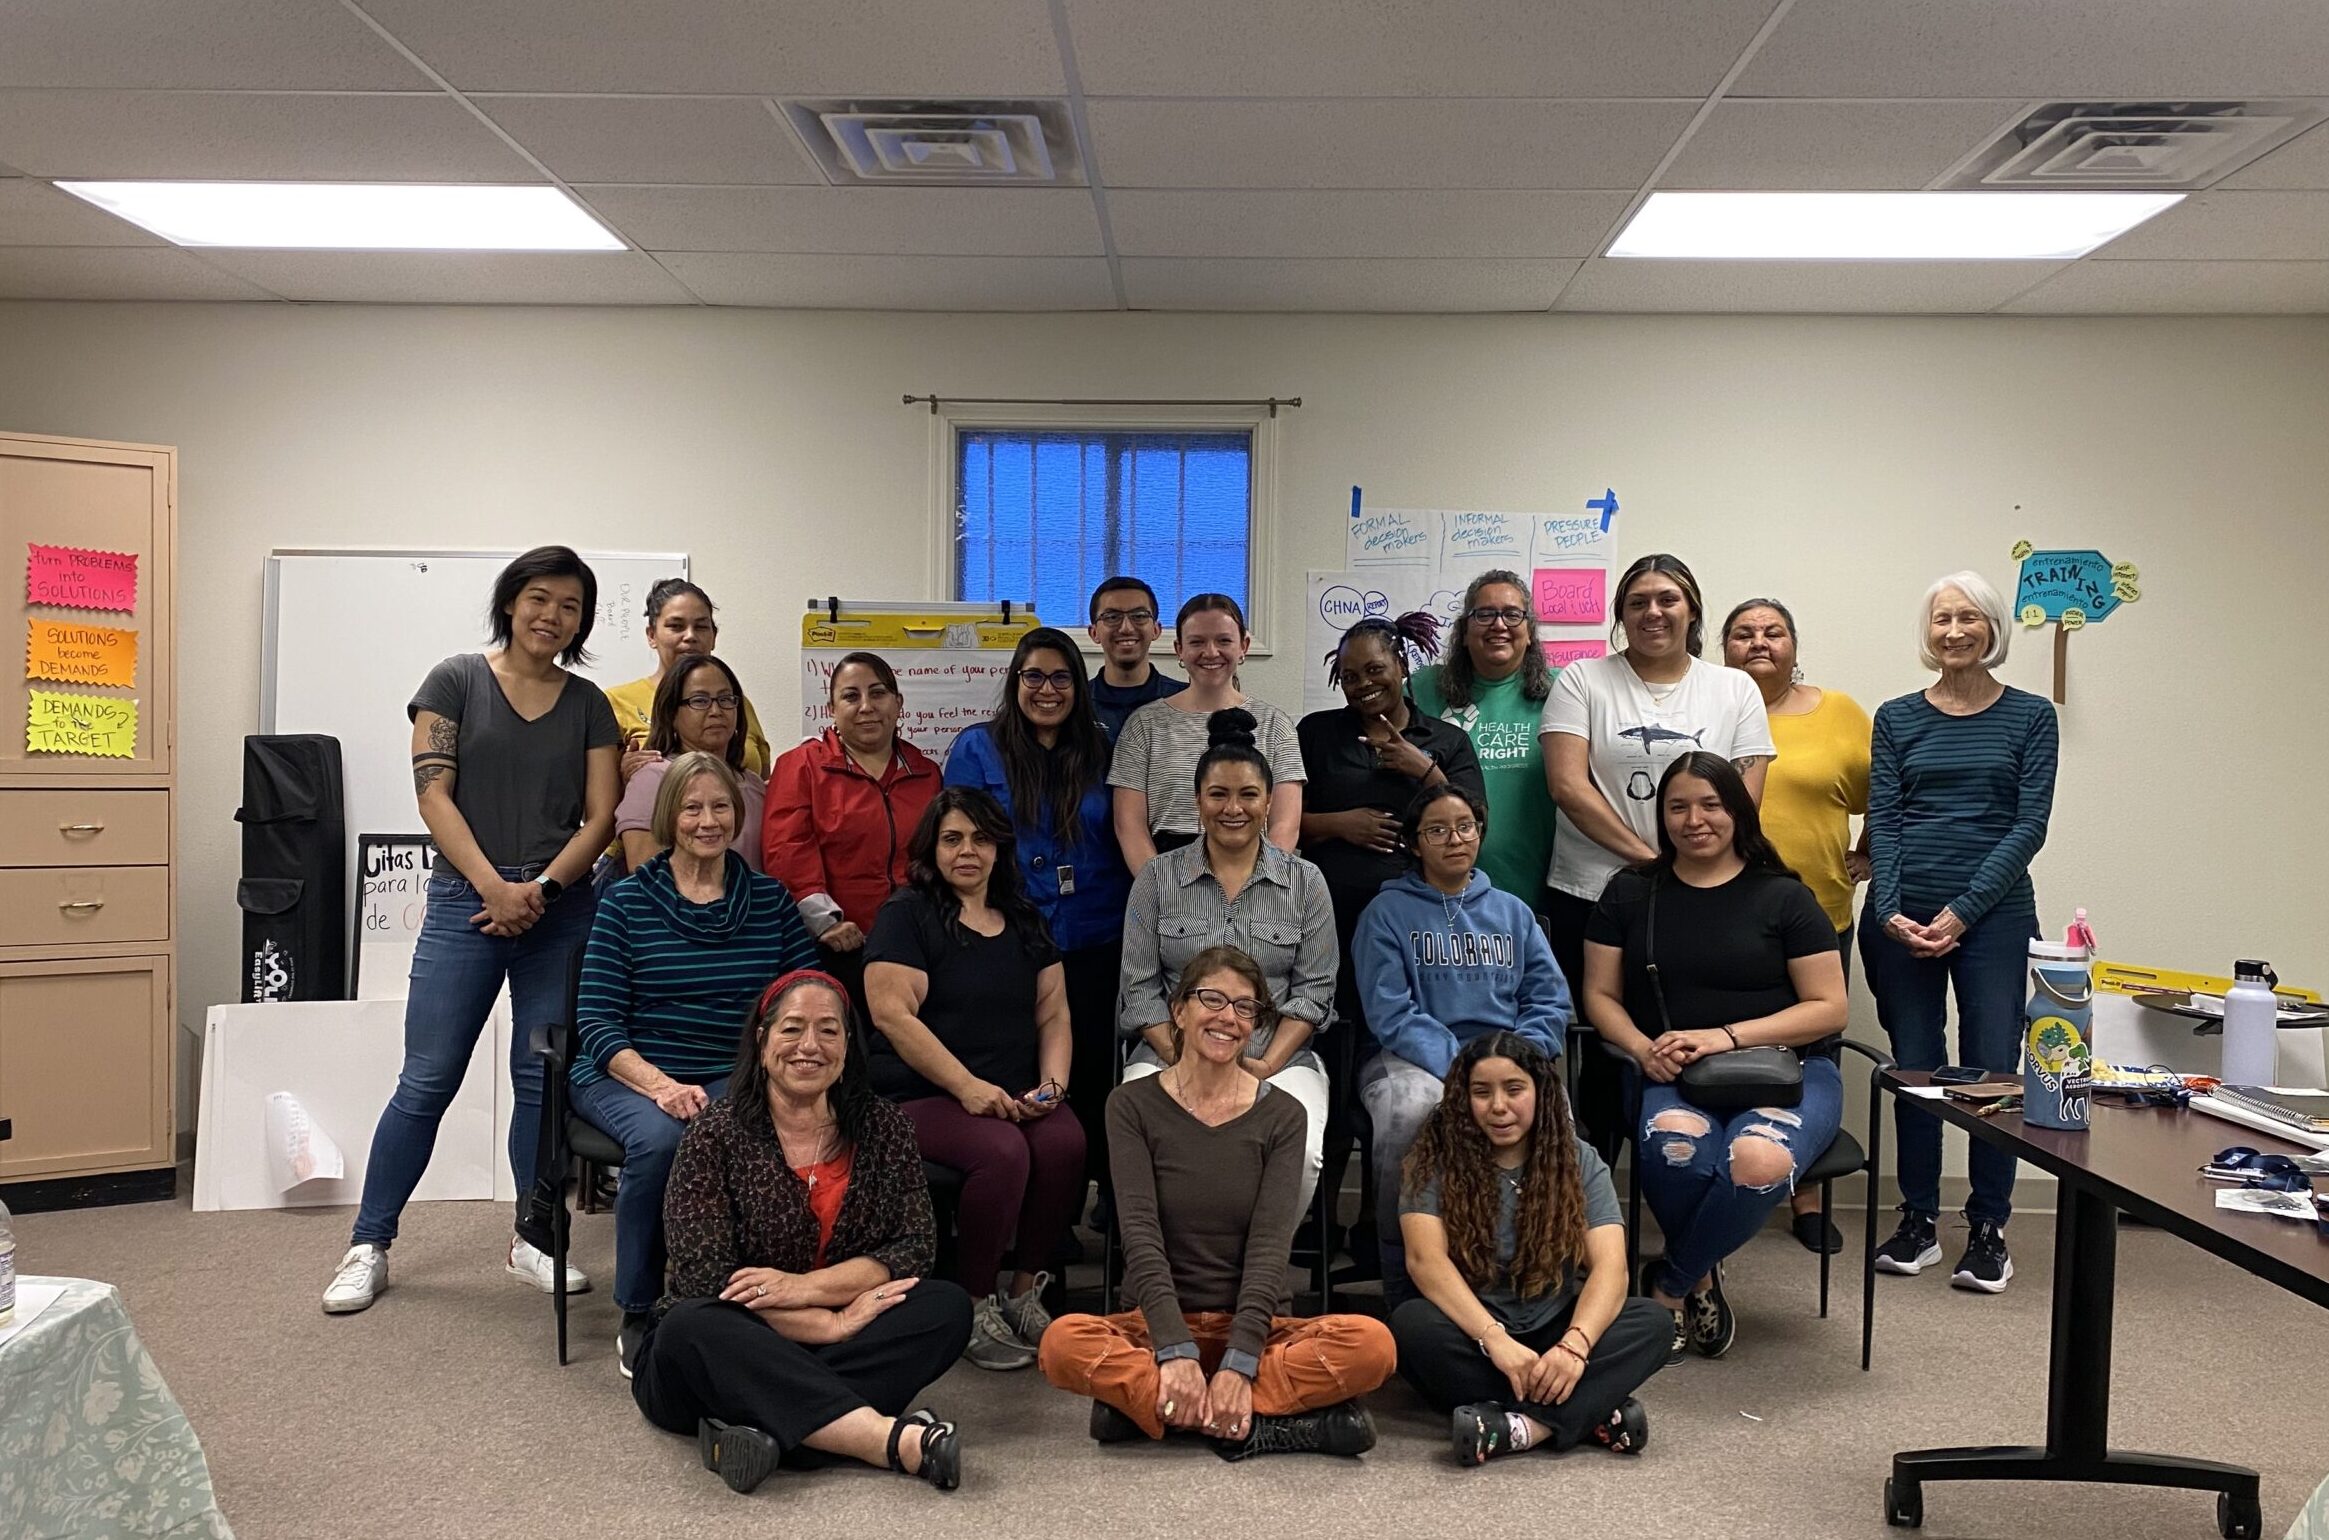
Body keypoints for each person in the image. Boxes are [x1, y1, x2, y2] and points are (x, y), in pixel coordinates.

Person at [325, 546, 619, 1314]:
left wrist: (542, 889)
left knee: (541, 1082)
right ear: (511, 601)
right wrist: (496, 886)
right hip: (467, 903)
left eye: (569, 606)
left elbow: (602, 817)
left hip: (560, 911)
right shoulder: (453, 680)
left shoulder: (588, 703)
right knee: (427, 1080)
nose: (551, 616)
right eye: (540, 598)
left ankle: (533, 1237)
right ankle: (369, 1243)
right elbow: (433, 797)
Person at [1039, 948, 1396, 1458]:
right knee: (1060, 1345)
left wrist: (1240, 1359)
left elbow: (1272, 1248)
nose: (1228, 1017)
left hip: (1257, 1328)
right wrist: (1176, 1349)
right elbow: (1139, 1236)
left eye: (1245, 1008)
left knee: (1374, 1346)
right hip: (1154, 1324)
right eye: (1212, 999)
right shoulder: (1131, 1105)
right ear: (1179, 1010)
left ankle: (1159, 1408)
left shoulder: (1284, 1115)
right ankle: (1258, 1421)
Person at [631, 969, 972, 1494]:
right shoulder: (713, 1134)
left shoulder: (886, 1127)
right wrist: (828, 1326)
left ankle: (763, 1432)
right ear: (763, 1040)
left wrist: (805, 1289)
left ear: (847, 1047)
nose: (809, 1046)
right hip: (738, 1344)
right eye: (792, 1029)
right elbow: (705, 1281)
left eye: (829, 1031)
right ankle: (885, 1439)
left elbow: (914, 1246)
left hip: (806, 1340)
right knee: (689, 1325)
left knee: (945, 1307)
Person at [1581, 753, 1849, 1362]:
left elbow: (1830, 1008)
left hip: (1793, 1071)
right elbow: (1598, 994)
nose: (1694, 820)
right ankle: (1701, 1279)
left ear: (1738, 810)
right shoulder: (1632, 892)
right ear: (1660, 815)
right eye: (1678, 807)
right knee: (1677, 1154)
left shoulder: (1783, 895)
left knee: (1755, 1161)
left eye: (1711, 804)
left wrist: (1725, 1036)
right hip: (1670, 1070)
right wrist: (1640, 1048)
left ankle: (1671, 1283)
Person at [572, 751, 820, 1373]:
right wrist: (661, 1086)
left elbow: (808, 990)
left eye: (719, 808)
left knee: (763, 1131)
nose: (707, 821)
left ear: (737, 817)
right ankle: (637, 1305)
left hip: (731, 1073)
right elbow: (597, 1022)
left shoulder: (767, 899)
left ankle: (744, 1297)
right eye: (692, 808)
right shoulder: (626, 903)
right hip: (626, 1071)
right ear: (667, 817)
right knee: (660, 1143)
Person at [1539, 553, 1774, 1161]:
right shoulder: (1583, 680)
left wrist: (1687, 868)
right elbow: (1568, 787)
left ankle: (1675, 1179)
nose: (1653, 612)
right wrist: (1651, 860)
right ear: (1621, 614)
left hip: (1700, 901)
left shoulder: (1733, 687)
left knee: (1678, 1041)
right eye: (1638, 601)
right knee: (1597, 1050)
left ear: (1692, 610)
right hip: (1591, 894)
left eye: (1668, 599)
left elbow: (1742, 798)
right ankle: (1591, 1200)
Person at [1863, 571, 2058, 1295]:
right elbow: (1883, 820)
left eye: (1968, 618)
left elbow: (2027, 825)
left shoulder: (2031, 717)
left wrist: (1963, 911)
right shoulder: (1895, 717)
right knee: (1915, 1067)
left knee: (1989, 1069)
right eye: (1941, 619)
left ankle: (1987, 1230)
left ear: (1992, 630)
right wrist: (1889, 910)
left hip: (1994, 919)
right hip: (1900, 918)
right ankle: (1917, 1221)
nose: (1953, 631)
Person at [864, 787, 1082, 1372]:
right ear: (931, 847)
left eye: (981, 839)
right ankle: (972, 1302)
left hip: (1010, 1090)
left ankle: (1021, 1293)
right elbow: (891, 1014)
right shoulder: (906, 914)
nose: (968, 851)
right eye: (953, 838)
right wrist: (966, 1087)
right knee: (1002, 1152)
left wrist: (1053, 1086)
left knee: (1064, 1142)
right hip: (919, 1094)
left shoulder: (1023, 916)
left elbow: (1054, 1011)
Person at [1298, 611, 1483, 1269]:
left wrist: (1422, 769)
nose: (1362, 684)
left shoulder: (1445, 740)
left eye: (1374, 670)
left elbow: (1470, 820)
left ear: (1403, 668)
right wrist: (1337, 823)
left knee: (1389, 1069)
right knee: (1332, 1066)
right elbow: (1282, 820)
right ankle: (1316, 1223)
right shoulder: (1316, 734)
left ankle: (1382, 1227)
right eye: (1348, 675)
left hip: (1415, 936)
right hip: (1328, 927)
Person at [1390, 1032, 1667, 1464]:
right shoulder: (1432, 1158)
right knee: (1410, 1326)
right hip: (1473, 1331)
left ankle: (1519, 1427)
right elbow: (1425, 1263)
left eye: (1514, 1089)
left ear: (1541, 1092)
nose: (1498, 1106)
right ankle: (1589, 1409)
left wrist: (1574, 1346)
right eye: (1482, 1092)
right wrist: (1495, 1340)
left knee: (1652, 1323)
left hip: (1554, 1325)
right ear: (1464, 1099)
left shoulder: (1578, 1160)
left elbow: (1611, 1269)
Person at [1353, 785, 1570, 1305]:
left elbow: (1549, 999)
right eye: (1437, 830)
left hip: (1509, 1053)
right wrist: (1465, 1066)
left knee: (1552, 1105)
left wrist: (1519, 1060)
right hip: (1411, 1058)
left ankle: (1537, 1269)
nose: (1455, 839)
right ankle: (1400, 1275)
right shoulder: (1386, 914)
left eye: (1465, 827)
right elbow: (1390, 1011)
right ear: (1414, 843)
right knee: (1408, 1111)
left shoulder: (1514, 912)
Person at [944, 627, 1130, 1217]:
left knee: (1091, 1076)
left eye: (1061, 677)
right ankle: (1014, 1212)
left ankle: (1067, 1214)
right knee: (1017, 1069)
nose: (1047, 690)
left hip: (1096, 936)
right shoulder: (977, 748)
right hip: (1010, 938)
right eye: (1033, 677)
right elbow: (958, 847)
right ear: (1015, 682)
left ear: (1078, 685)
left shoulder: (1107, 750)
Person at [1119, 711, 1335, 1213]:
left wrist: (1262, 1066)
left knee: (1301, 1153)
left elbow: (1315, 991)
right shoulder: (1156, 879)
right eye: (1218, 794)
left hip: (1277, 1061)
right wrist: (1184, 1060)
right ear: (1198, 802)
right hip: (1169, 1056)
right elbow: (1139, 989)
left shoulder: (1306, 883)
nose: (1232, 809)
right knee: (1142, 1142)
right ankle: (1168, 1275)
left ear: (1268, 803)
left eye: (1248, 795)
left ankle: (1259, 1274)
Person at [1722, 597, 1873, 1254]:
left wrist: (1870, 851)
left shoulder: (1837, 713)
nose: (1758, 642)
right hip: (1721, 917)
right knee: (1730, 1045)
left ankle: (1805, 1193)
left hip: (1817, 915)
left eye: (1772, 631)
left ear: (1793, 643)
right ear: (1721, 647)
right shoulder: (1708, 707)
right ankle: (1728, 1180)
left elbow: (1887, 793)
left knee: (1813, 1053)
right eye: (1743, 633)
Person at [763, 652, 941, 1016]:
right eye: (851, 696)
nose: (866, 707)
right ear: (831, 707)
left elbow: (935, 856)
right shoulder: (801, 766)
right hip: (836, 947)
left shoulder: (927, 773)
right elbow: (787, 849)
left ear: (898, 703)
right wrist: (827, 923)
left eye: (878, 694)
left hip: (915, 942)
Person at [1110, 593, 1305, 870]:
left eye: (1224, 641)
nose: (1211, 652)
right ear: (1179, 649)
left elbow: (1285, 825)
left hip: (1253, 878)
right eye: (1197, 642)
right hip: (1166, 880)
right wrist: (1160, 890)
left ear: (1243, 646)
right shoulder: (1143, 725)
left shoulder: (1276, 725)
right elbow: (1129, 826)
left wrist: (1258, 887)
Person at [1411, 570, 1560, 908]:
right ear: (1463, 632)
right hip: (1437, 889)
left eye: (1512, 614)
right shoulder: (1420, 690)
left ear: (1530, 632)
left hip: (1538, 890)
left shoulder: (1563, 692)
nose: (1499, 625)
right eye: (1484, 614)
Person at [605, 577, 772, 778]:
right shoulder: (616, 702)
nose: (690, 636)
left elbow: (763, 783)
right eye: (676, 626)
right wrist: (620, 771)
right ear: (651, 635)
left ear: (714, 637)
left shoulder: (736, 703)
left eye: (701, 627)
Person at [614, 654, 766, 873]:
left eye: (725, 699)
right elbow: (646, 883)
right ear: (671, 713)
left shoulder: (753, 785)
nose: (716, 711)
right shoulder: (653, 779)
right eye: (699, 701)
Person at [1087, 576, 1187, 741]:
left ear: (1156, 629)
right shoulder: (1076, 703)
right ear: (1094, 633)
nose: (1126, 628)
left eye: (1139, 616)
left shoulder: (1184, 701)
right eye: (1112, 617)